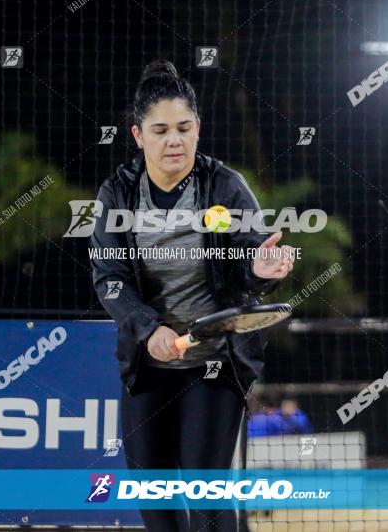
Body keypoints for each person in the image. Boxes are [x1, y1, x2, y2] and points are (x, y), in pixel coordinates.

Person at [90, 59, 295, 531]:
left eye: (183, 127)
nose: (173, 140)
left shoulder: (225, 186)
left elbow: (250, 262)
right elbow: (109, 279)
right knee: (155, 500)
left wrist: (260, 270)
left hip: (216, 358)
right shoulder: (117, 195)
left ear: (198, 129)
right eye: (160, 130)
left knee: (204, 492)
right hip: (150, 363)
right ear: (138, 136)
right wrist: (149, 329)